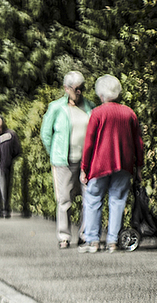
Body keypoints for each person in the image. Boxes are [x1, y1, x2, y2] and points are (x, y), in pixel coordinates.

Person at [79, 74, 144, 253]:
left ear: (101, 94)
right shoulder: (129, 113)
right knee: (118, 201)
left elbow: (89, 143)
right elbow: (139, 142)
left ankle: (93, 241)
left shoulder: (97, 113)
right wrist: (139, 166)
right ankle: (113, 242)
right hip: (123, 164)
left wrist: (84, 168)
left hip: (99, 165)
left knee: (93, 200)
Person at [40, 71, 95, 249]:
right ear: (66, 88)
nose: (79, 92)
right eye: (76, 89)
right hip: (63, 160)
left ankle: (85, 234)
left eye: (82, 88)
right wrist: (54, 154)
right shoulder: (56, 107)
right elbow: (46, 134)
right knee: (65, 199)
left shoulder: (90, 107)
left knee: (88, 199)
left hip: (86, 161)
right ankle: (64, 236)